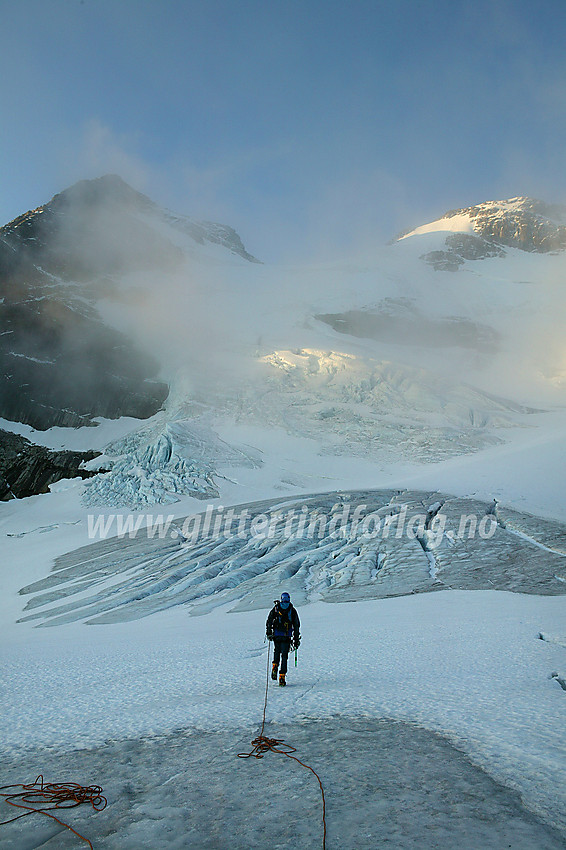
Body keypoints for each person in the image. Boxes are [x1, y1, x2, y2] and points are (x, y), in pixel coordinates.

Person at [266, 592, 300, 686]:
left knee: (277, 651)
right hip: (287, 635)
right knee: (284, 655)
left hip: (277, 634)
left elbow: (269, 620)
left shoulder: (276, 608)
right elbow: (296, 625)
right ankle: (282, 676)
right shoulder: (292, 610)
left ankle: (275, 666)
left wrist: (269, 632)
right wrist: (296, 639)